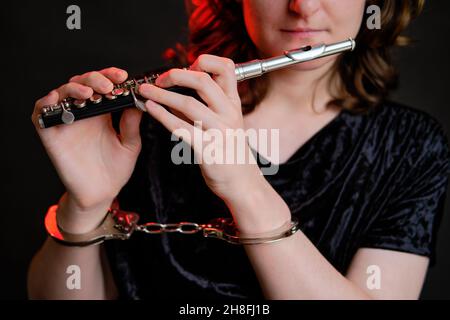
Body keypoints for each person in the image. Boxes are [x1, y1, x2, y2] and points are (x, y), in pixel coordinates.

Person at [28, 0, 450, 300]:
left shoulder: (412, 146)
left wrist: (246, 187)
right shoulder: (149, 120)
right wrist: (84, 208)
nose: (303, 6)